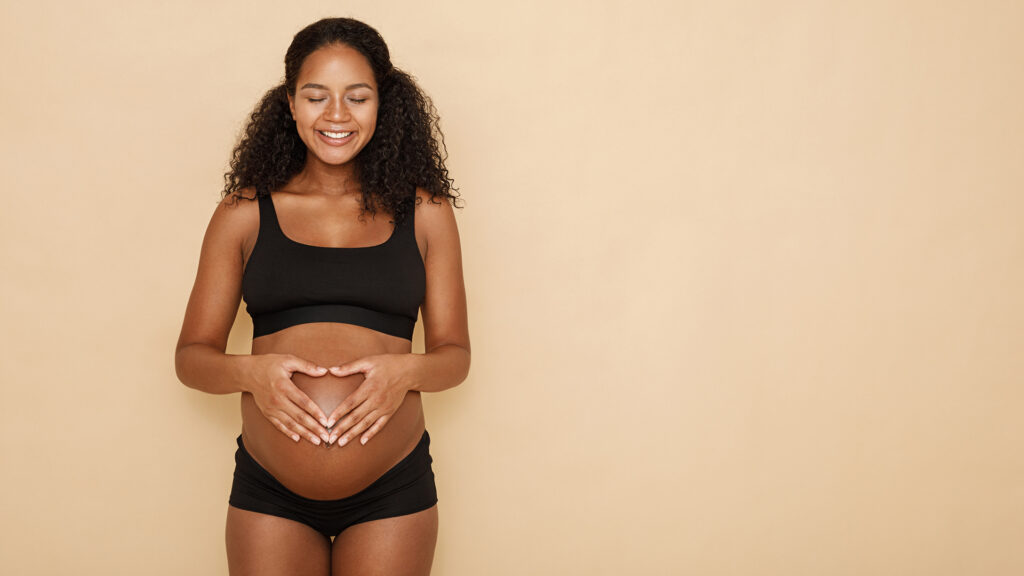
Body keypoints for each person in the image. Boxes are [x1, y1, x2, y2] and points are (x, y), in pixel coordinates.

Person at [174, 17, 470, 576]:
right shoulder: (243, 212)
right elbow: (191, 358)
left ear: (383, 103)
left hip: (393, 490)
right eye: (316, 96)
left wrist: (403, 373)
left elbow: (455, 356)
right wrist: (250, 374)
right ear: (289, 103)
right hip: (271, 491)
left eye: (357, 97)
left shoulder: (426, 210)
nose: (337, 115)